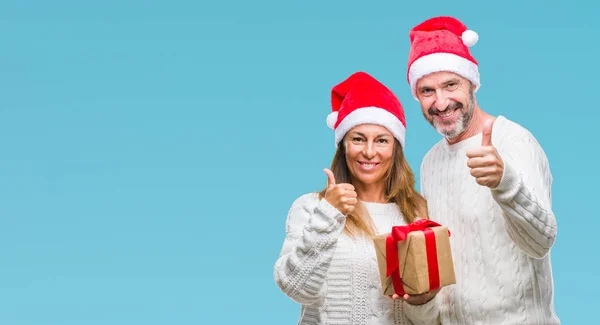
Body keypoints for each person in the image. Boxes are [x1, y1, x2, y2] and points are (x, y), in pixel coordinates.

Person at [403, 16, 560, 324]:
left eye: (451, 85)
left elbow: (542, 241)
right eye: (427, 91)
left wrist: (505, 181)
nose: (441, 102)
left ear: (472, 82)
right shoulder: (430, 161)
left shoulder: (513, 140)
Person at [273, 71, 442, 325]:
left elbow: (429, 320)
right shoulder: (311, 208)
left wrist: (421, 301)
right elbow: (297, 289)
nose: (369, 151)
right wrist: (329, 214)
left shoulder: (419, 214)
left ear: (395, 148)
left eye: (382, 140)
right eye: (358, 139)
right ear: (343, 145)